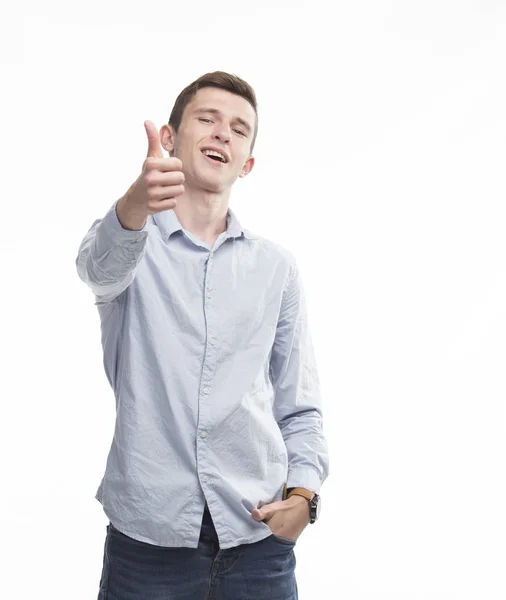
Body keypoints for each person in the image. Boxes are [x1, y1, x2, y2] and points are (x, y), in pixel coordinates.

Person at [76, 71, 329, 600]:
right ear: (170, 138)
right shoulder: (129, 242)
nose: (222, 134)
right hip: (148, 546)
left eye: (239, 129)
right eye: (206, 119)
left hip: (259, 543)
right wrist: (134, 204)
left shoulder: (276, 268)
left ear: (248, 162)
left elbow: (298, 406)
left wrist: (305, 495)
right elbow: (96, 269)